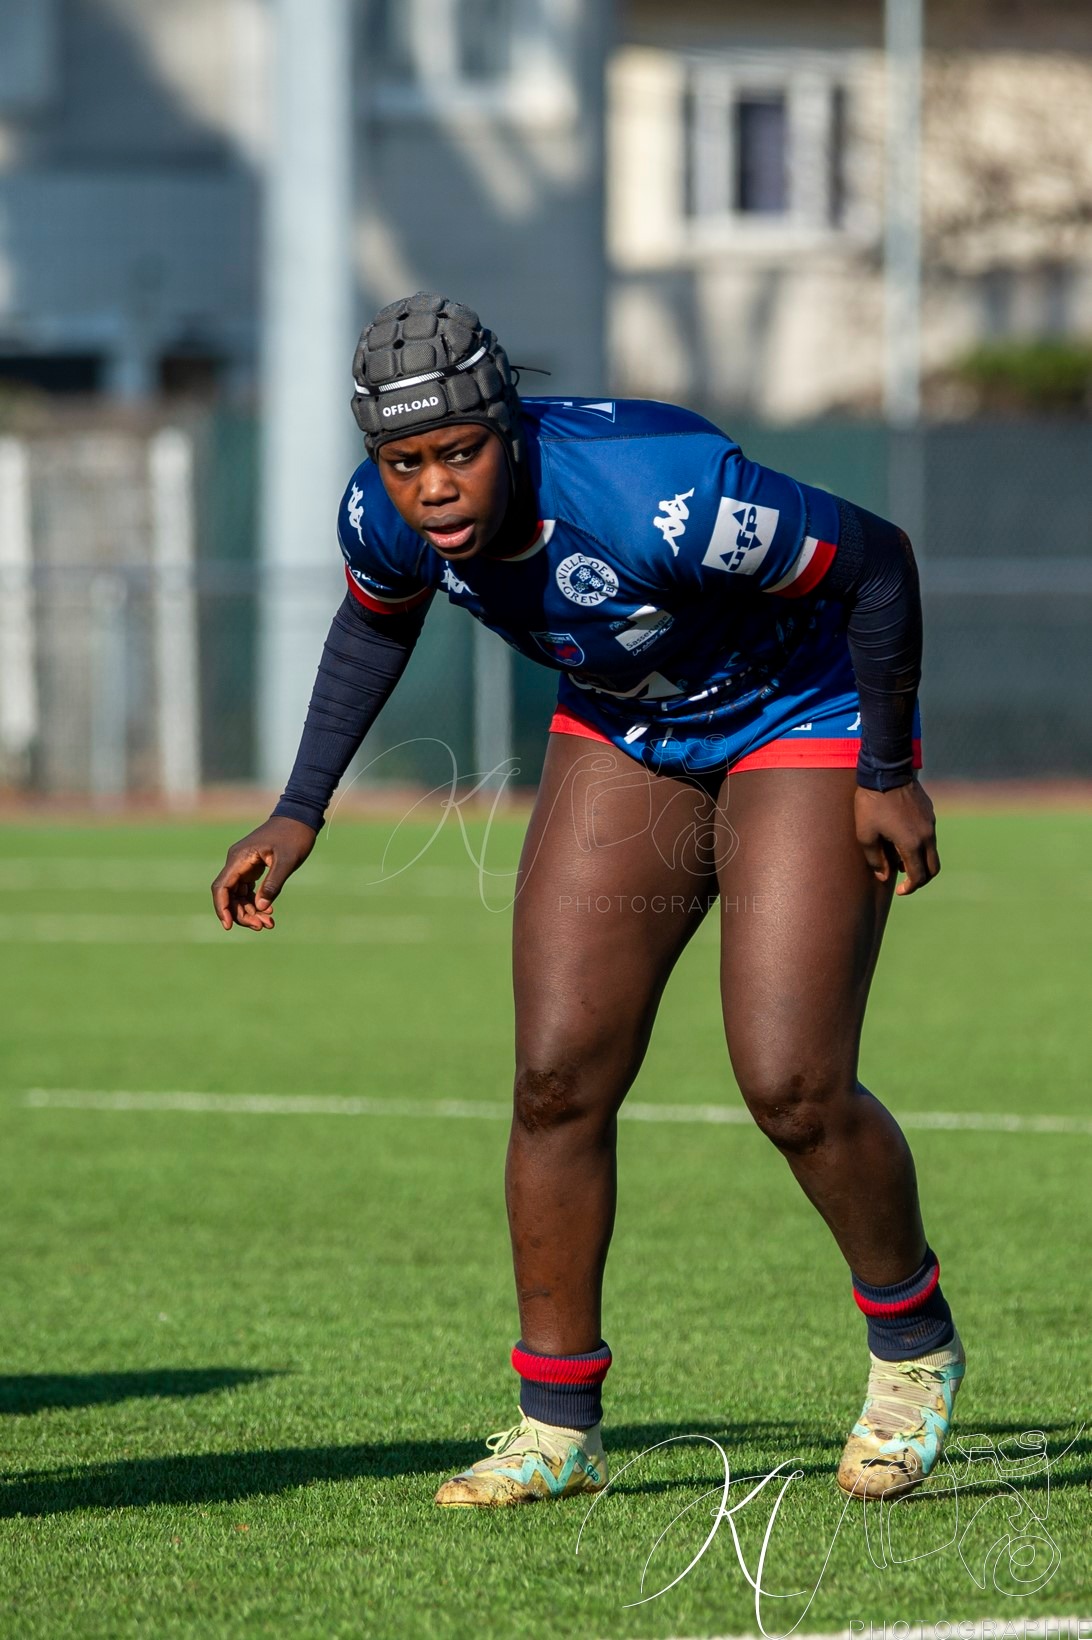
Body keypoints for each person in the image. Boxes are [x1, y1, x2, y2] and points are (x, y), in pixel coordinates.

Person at [211, 291, 964, 1508]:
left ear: (509, 427)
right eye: (405, 461)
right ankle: (557, 1425)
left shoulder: (662, 492)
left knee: (792, 1082)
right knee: (556, 1075)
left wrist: (887, 771)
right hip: (626, 728)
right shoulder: (383, 514)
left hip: (802, 715)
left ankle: (913, 1348)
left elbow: (877, 561)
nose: (434, 486)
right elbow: (371, 629)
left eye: (460, 451)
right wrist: (299, 809)